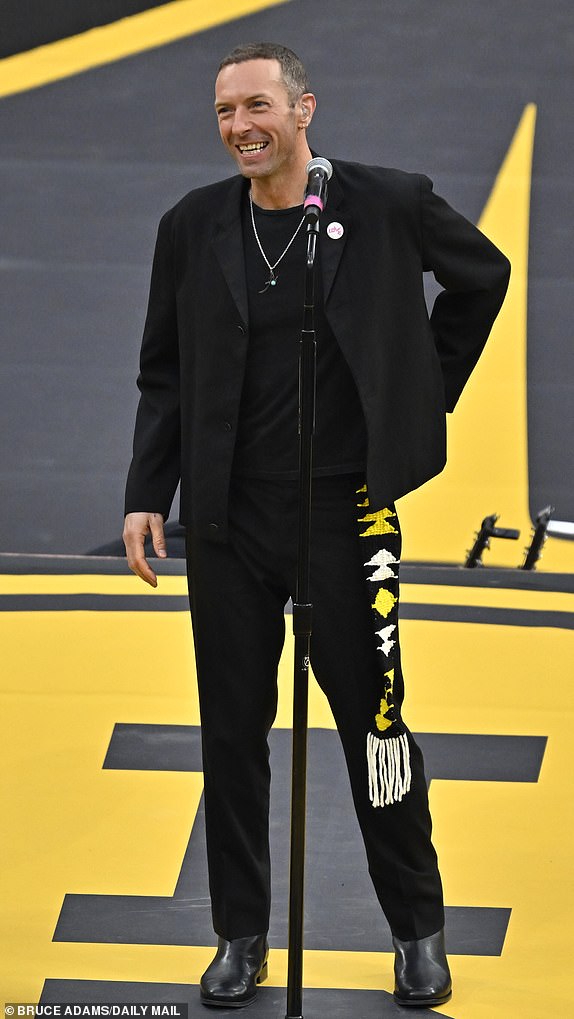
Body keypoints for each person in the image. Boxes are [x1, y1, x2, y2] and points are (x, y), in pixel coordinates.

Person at [123, 42, 510, 1010]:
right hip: (226, 518)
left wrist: (420, 389)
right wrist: (146, 490)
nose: (239, 126)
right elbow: (164, 372)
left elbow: (482, 277)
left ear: (303, 110)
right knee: (231, 734)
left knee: (376, 732)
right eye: (224, 112)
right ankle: (239, 934)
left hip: (348, 512)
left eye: (257, 105)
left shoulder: (385, 203)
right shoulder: (194, 225)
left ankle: (416, 930)